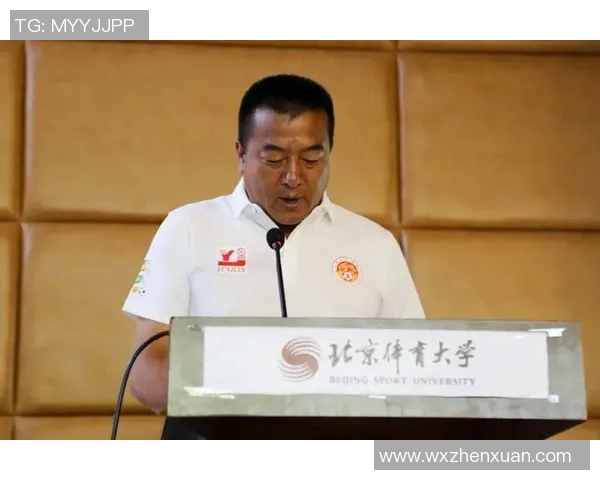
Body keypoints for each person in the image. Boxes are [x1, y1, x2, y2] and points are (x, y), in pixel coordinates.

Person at [121, 73, 426, 438]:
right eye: (274, 158)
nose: (293, 177)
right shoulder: (189, 227)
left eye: (311, 158)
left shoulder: (374, 244)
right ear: (241, 154)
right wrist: (252, 385)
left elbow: (417, 377)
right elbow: (147, 376)